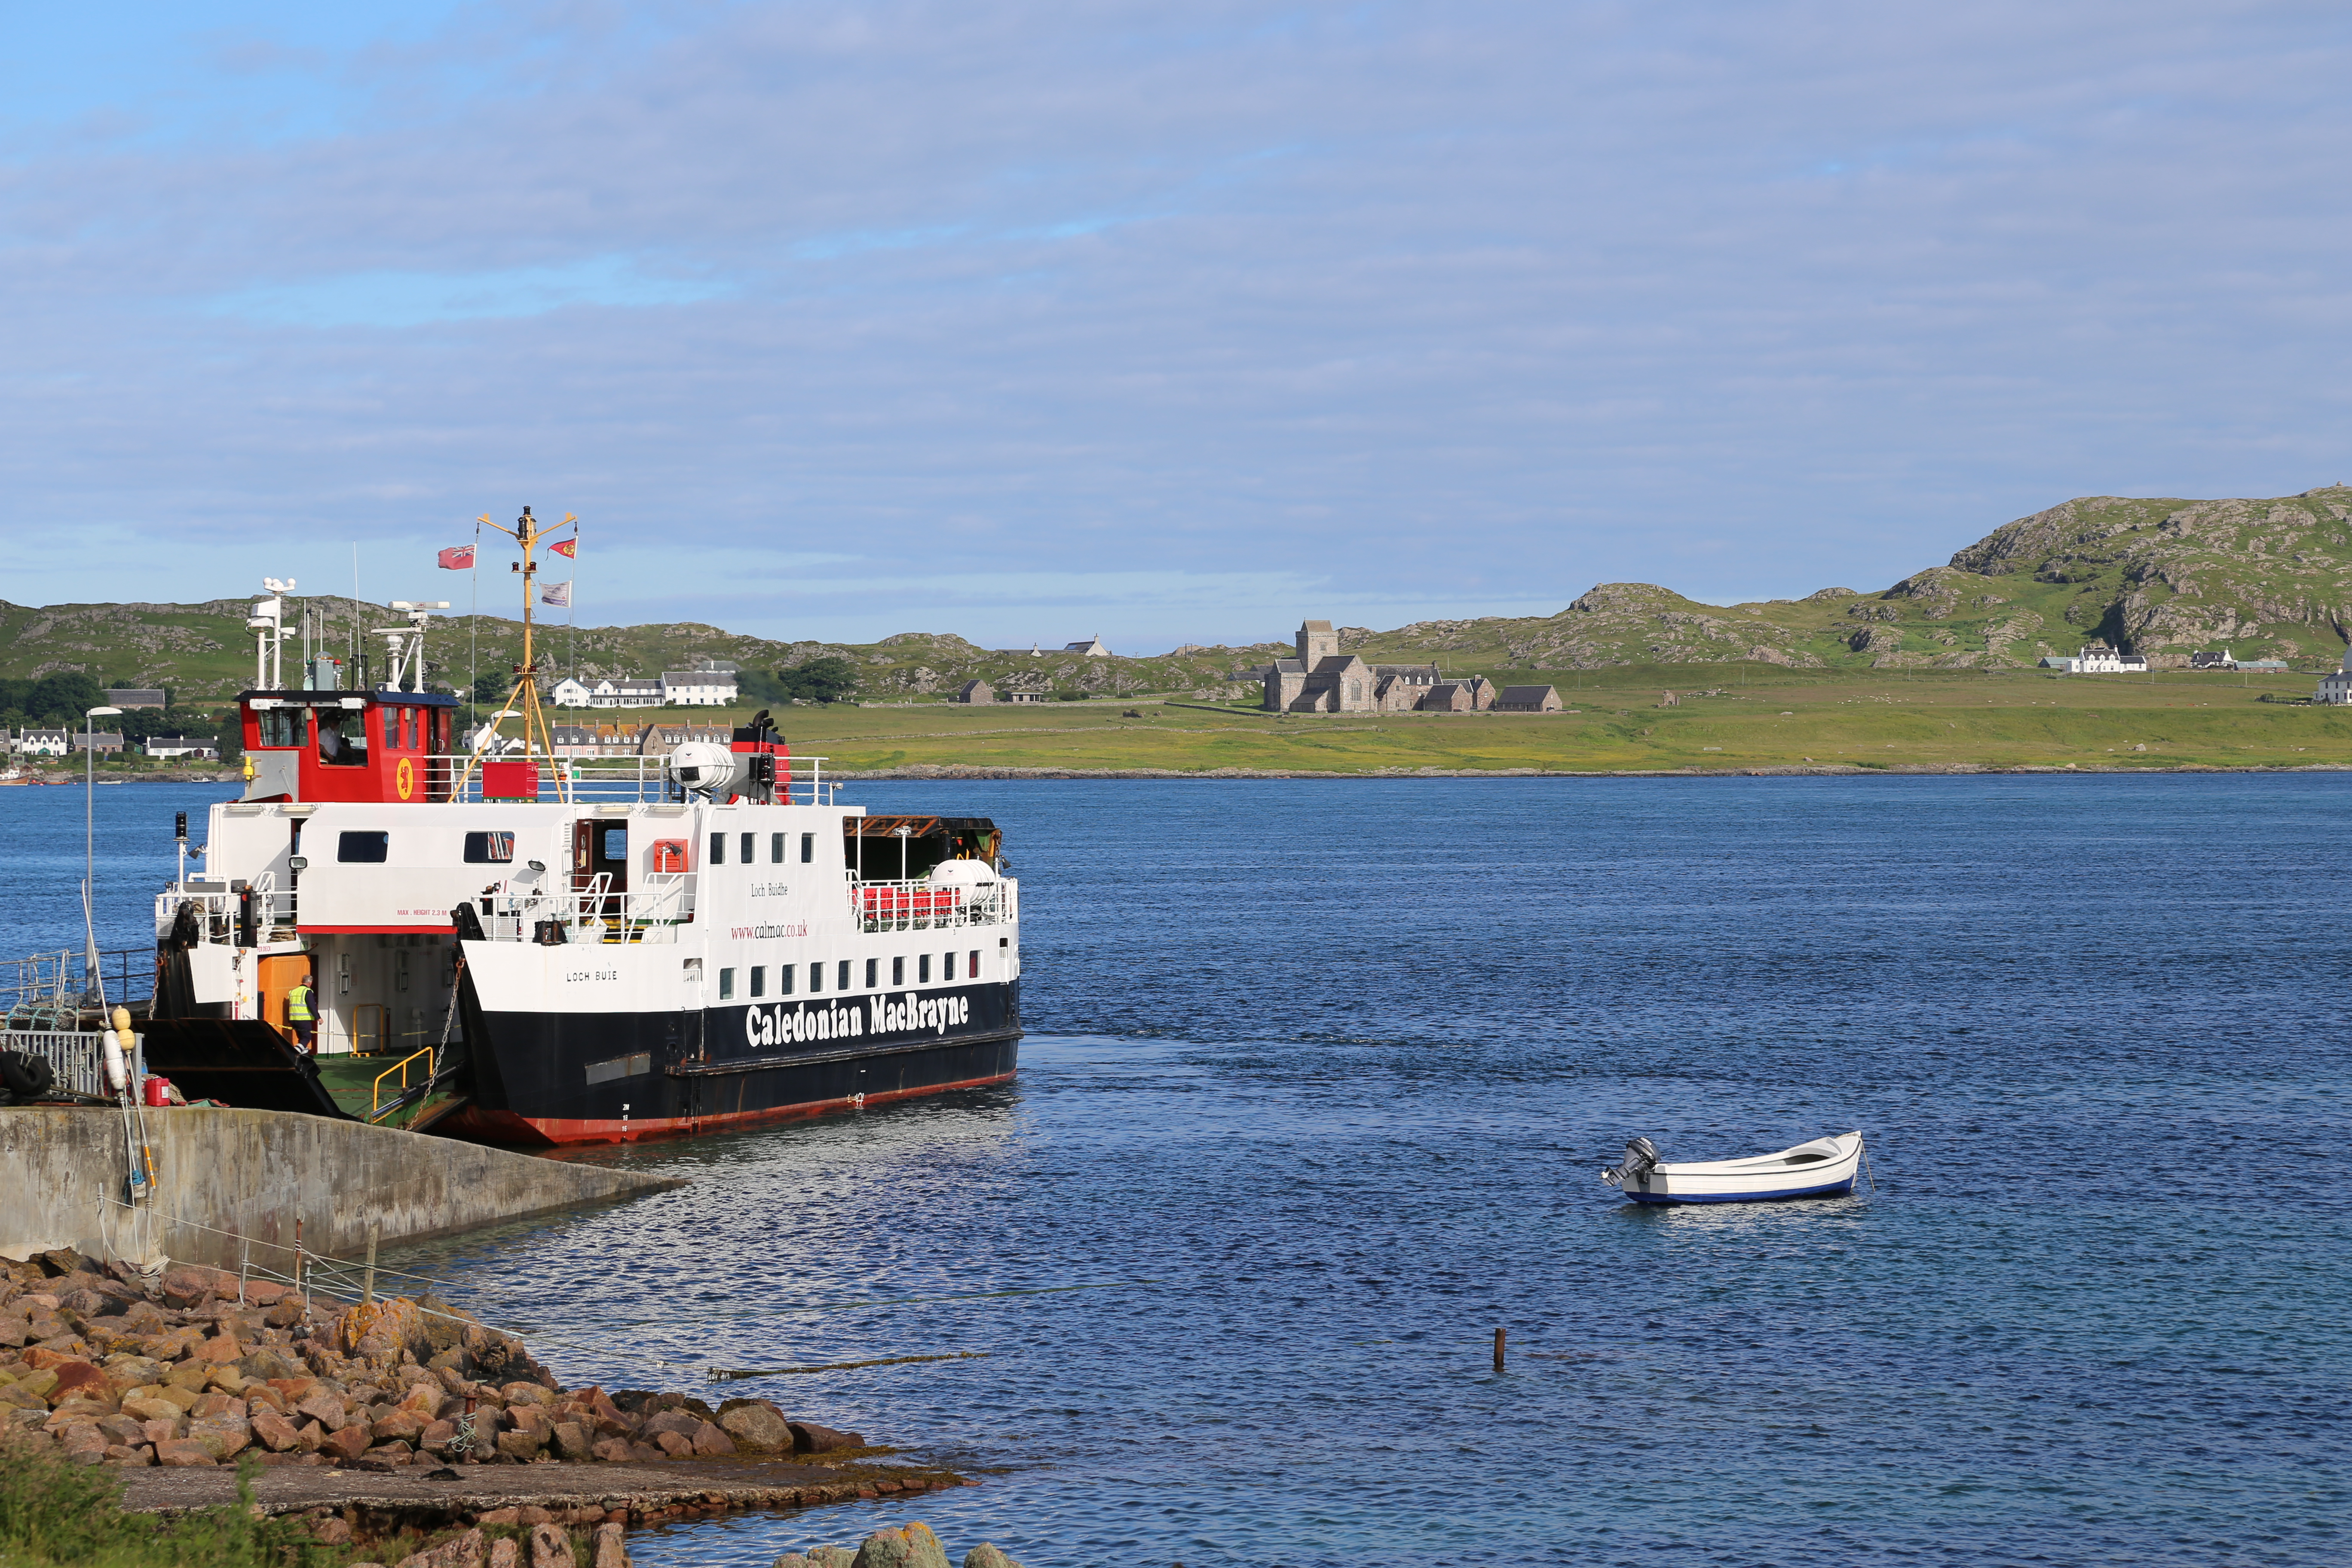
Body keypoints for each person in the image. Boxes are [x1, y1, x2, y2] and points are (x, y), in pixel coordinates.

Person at [285, 971, 316, 1052]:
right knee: (306, 1038)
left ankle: (303, 1057)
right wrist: (318, 1018)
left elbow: (289, 1006)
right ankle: (295, 1052)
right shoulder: (307, 991)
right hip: (304, 1019)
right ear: (310, 983)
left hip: (294, 1019)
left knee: (302, 1040)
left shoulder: (293, 991)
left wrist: (289, 1020)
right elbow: (312, 1006)